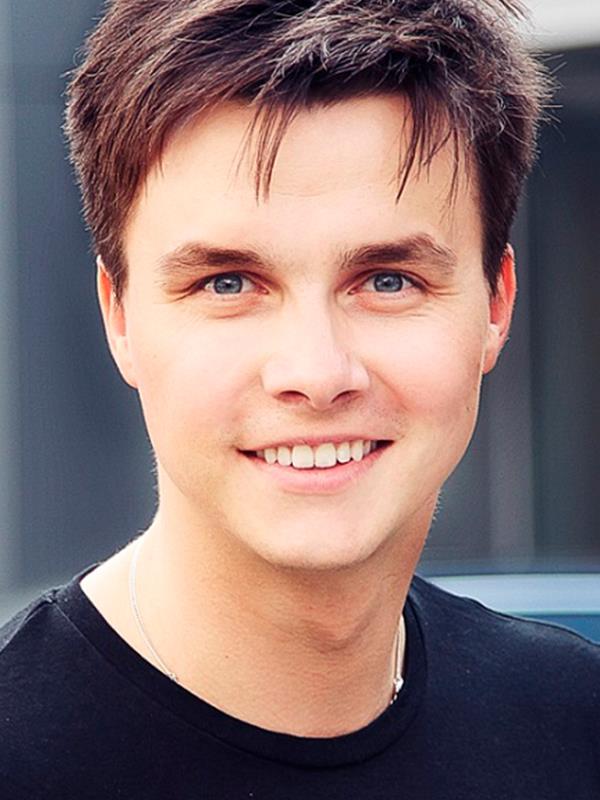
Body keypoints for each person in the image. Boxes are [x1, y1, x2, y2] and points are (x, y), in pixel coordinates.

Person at [1, 0, 598, 797]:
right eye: (227, 283)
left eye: (388, 280)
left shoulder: (575, 726)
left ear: (495, 305)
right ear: (120, 318)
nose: (317, 372)